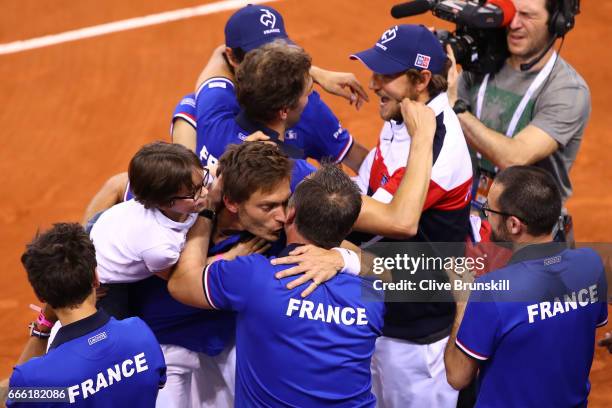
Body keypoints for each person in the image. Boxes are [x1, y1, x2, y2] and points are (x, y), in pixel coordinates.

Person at [167, 164, 385, 406]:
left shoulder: (254, 276)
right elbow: (390, 272)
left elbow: (180, 283)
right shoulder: (373, 292)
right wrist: (343, 257)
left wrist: (206, 211)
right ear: (347, 229)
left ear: (290, 215)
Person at [347, 24, 472, 408]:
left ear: (420, 80)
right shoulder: (405, 118)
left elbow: (390, 219)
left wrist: (309, 195)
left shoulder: (436, 147)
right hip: (385, 316)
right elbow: (371, 181)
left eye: (386, 75)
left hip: (417, 340)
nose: (373, 84)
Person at [444, 166, 608, 407]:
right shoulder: (591, 264)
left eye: (489, 210)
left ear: (513, 225)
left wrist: (462, 303)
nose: (485, 216)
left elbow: (457, 376)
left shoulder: (492, 290)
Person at [449, 0, 590, 241]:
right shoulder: (482, 66)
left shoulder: (567, 90)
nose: (514, 24)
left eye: (527, 15)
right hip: (475, 222)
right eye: (512, 13)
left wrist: (455, 108)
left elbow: (515, 157)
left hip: (527, 237)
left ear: (557, 23)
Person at [181, 3, 369, 172]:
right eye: (260, 55)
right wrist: (314, 74)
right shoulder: (292, 172)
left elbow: (358, 160)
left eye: (280, 52)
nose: (274, 62)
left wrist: (309, 73)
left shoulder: (213, 103)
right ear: (232, 57)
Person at [6, 223, 166, 407]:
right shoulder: (139, 334)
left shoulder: (35, 379)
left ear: (41, 297)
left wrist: (43, 327)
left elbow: (14, 399)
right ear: (96, 278)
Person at [89, 142, 211, 319]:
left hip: (105, 226)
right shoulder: (160, 247)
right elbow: (180, 276)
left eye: (203, 181)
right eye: (194, 193)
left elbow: (214, 175)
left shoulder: (190, 181)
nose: (206, 192)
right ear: (163, 202)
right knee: (116, 330)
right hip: (105, 278)